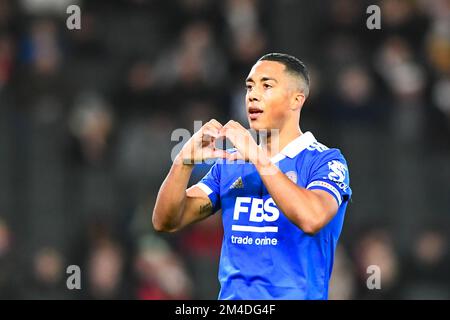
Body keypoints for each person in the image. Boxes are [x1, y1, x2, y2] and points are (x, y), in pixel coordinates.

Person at [153, 53, 352, 300]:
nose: (253, 95)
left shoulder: (325, 161)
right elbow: (166, 221)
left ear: (296, 99)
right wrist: (183, 162)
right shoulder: (230, 164)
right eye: (249, 87)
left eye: (266, 86)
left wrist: (259, 158)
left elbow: (311, 218)